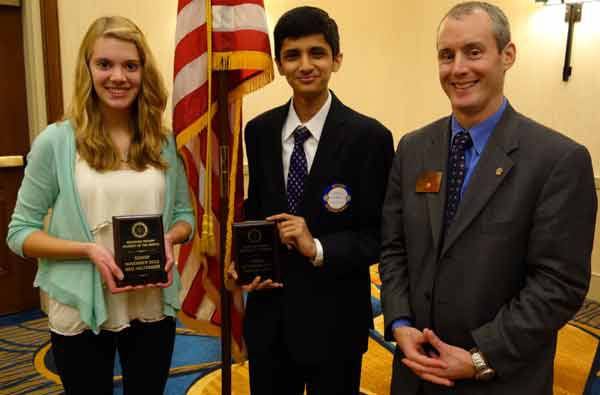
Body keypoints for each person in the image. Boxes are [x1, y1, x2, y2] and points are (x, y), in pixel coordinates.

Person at [379, 2, 596, 394]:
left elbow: (558, 285)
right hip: (415, 375)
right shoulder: (413, 149)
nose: (458, 68)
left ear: (507, 55)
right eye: (447, 55)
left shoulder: (558, 161)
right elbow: (394, 249)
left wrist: (481, 357)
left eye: (473, 52)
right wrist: (400, 324)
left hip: (500, 380)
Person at [6, 16, 194, 395]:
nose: (118, 77)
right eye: (104, 64)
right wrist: (89, 251)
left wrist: (171, 239)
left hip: (150, 301)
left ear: (144, 72)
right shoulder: (56, 142)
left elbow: (183, 216)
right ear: (87, 68)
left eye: (130, 65)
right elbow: (20, 233)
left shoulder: (162, 142)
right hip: (81, 305)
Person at [234, 6, 393, 394]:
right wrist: (242, 261)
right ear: (279, 64)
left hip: (335, 321)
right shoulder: (258, 131)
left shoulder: (370, 138)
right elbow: (256, 211)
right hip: (270, 321)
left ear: (336, 60)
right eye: (293, 55)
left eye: (317, 53)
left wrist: (318, 246)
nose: (306, 65)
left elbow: (379, 235)